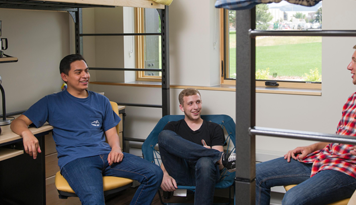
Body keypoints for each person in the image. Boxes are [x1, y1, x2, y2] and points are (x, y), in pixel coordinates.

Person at [256, 39, 356, 205]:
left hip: (349, 170)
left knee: (293, 199)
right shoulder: (354, 98)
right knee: (255, 173)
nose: (349, 66)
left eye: (354, 60)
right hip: (323, 158)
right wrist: (312, 147)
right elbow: (340, 138)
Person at [11, 54, 162, 205]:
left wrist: (116, 148)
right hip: (76, 160)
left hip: (106, 156)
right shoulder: (51, 102)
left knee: (155, 173)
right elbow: (18, 122)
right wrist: (26, 133)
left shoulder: (101, 100)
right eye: (78, 72)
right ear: (64, 76)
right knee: (94, 200)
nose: (85, 76)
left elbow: (111, 132)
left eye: (86, 71)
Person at [158, 88, 236, 205]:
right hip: (181, 172)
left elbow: (220, 166)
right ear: (181, 107)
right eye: (190, 103)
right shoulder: (173, 127)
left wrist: (207, 154)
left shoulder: (214, 128)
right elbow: (167, 158)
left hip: (207, 173)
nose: (196, 107)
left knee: (205, 161)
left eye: (198, 102)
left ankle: (212, 156)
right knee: (163, 135)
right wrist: (163, 174)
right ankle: (217, 155)